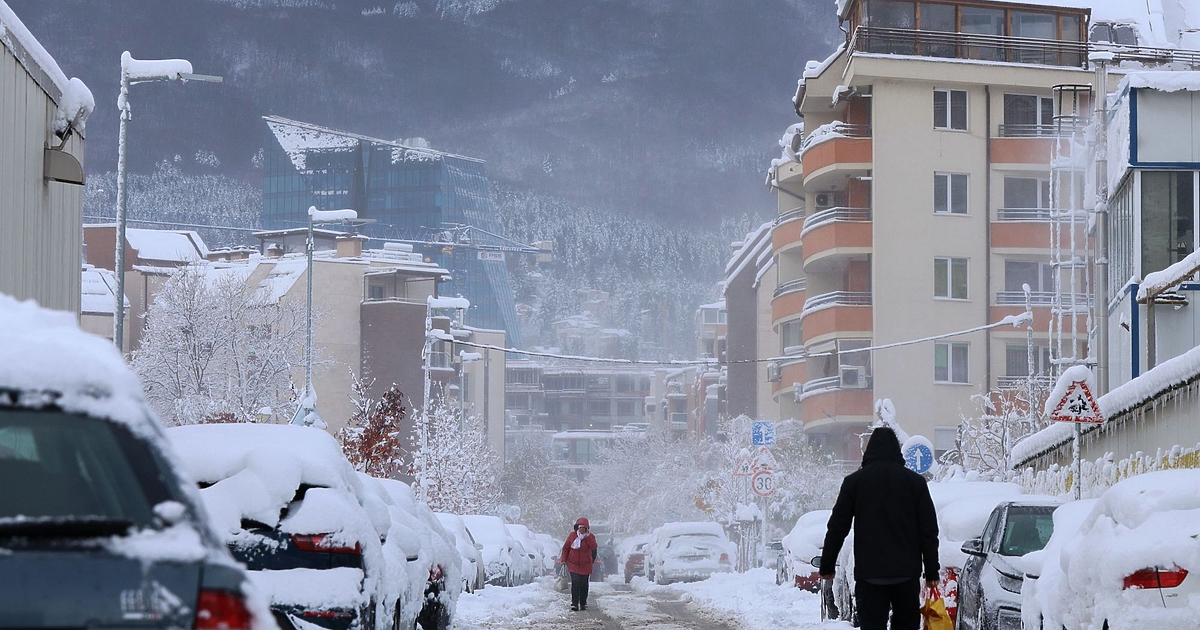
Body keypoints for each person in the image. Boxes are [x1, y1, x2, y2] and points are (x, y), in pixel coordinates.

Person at [818, 427, 940, 630]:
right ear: (897, 451)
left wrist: (827, 565)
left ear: (869, 451)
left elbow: (838, 527)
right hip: (906, 574)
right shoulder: (915, 483)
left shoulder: (854, 483)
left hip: (870, 575)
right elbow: (928, 530)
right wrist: (932, 571)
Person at [558, 517, 598, 611]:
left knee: (584, 584)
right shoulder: (572, 536)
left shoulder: (590, 537)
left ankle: (583, 603)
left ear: (586, 528)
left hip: (586, 565)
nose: (581, 529)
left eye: (583, 527)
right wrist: (563, 559)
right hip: (573, 564)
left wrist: (588, 537)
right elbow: (566, 548)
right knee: (575, 583)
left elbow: (594, 547)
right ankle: (575, 603)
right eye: (579, 527)